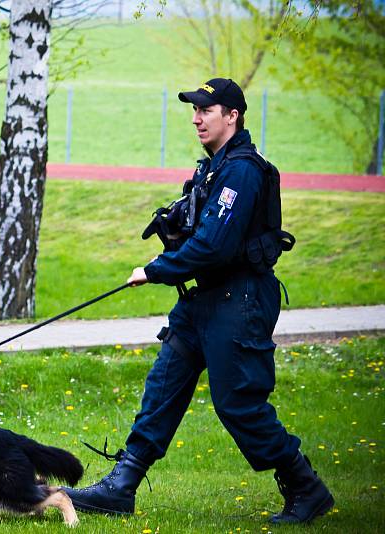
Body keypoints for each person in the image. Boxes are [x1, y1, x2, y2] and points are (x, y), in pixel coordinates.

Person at [64, 78, 334, 525]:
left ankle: (306, 486)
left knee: (238, 403)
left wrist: (155, 270)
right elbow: (201, 234)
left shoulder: (243, 170)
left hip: (238, 299)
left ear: (233, 115)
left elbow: (213, 245)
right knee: (163, 386)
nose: (196, 118)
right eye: (194, 110)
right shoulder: (214, 168)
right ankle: (122, 486)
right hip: (201, 300)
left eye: (206, 110)